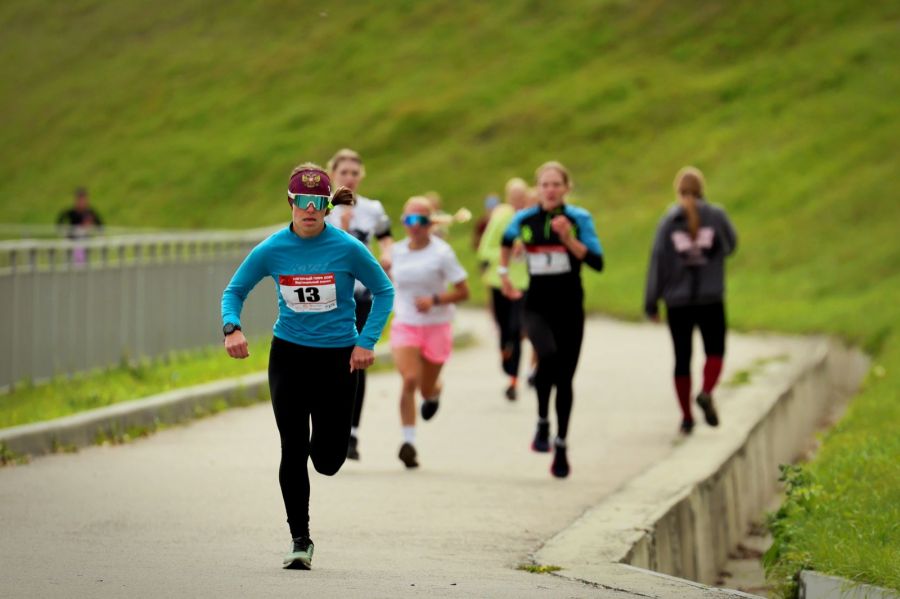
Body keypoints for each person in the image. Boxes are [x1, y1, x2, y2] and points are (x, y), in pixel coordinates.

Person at [221, 163, 394, 570]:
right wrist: (232, 328)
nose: (310, 209)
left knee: (328, 461)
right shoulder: (272, 249)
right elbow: (235, 291)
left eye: (318, 202)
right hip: (290, 358)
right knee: (293, 448)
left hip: (338, 360)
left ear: (327, 205)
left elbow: (384, 291)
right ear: (291, 202)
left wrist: (365, 342)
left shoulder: (348, 247)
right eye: (303, 201)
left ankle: (329, 447)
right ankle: (300, 538)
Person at [499, 161, 604, 478]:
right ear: (538, 188)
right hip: (538, 305)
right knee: (547, 355)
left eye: (556, 184)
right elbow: (506, 240)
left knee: (565, 378)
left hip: (570, 306)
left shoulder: (578, 218)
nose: (550, 190)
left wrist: (569, 239)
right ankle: (543, 420)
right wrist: (505, 273)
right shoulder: (525, 219)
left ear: (566, 188)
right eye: (544, 184)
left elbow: (598, 262)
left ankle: (560, 444)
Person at [644, 166, 737, 435]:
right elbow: (731, 245)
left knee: (682, 358)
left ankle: (686, 418)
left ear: (678, 191)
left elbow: (657, 263)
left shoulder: (667, 222)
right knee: (715, 351)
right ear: (702, 189)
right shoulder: (716, 215)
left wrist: (652, 302)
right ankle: (706, 391)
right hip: (710, 298)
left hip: (677, 302)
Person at [390, 196, 469, 469]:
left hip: (437, 325)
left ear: (431, 223)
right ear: (403, 222)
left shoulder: (442, 253)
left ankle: (435, 392)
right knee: (409, 379)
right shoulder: (397, 252)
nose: (415, 226)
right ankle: (408, 442)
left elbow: (463, 291)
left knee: (425, 388)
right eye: (409, 220)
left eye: (421, 221)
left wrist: (434, 300)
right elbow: (388, 283)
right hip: (406, 324)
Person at [325, 148, 393, 461]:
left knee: (357, 360)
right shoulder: (323, 208)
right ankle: (326, 426)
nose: (349, 177)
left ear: (361, 175)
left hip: (361, 293)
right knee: (326, 362)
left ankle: (351, 432)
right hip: (328, 294)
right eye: (344, 173)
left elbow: (385, 233)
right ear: (333, 175)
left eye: (354, 172)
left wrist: (387, 253)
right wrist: (342, 226)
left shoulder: (372, 208)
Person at [477, 178, 530, 400]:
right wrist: (505, 255)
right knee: (503, 329)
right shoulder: (501, 218)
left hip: (523, 284)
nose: (518, 202)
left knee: (517, 330)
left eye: (522, 198)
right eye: (514, 198)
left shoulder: (530, 218)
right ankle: (504, 353)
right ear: (508, 198)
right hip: (499, 282)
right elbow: (484, 250)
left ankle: (513, 382)